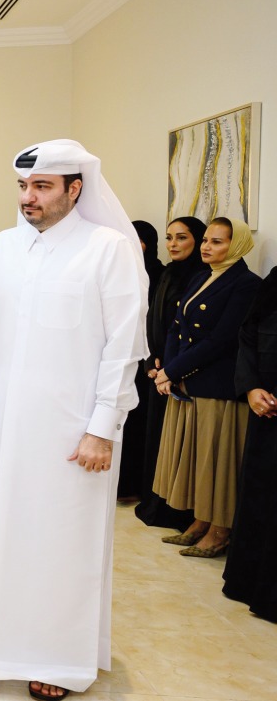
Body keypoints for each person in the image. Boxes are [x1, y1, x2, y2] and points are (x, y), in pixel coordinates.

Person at [0, 139, 146, 701]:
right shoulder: (1, 248)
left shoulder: (108, 248)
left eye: (41, 187)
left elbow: (124, 345)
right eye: (22, 186)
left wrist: (101, 427)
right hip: (9, 425)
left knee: (63, 543)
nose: (28, 197)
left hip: (72, 431)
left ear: (74, 189)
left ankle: (57, 659)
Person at [151, 217, 260, 557]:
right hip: (188, 381)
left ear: (237, 245)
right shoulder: (201, 276)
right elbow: (176, 326)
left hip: (217, 385)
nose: (206, 247)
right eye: (206, 241)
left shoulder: (245, 284)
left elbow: (222, 339)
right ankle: (199, 522)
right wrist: (169, 369)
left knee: (216, 461)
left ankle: (219, 531)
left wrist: (172, 369)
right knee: (196, 458)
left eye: (217, 242)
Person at [134, 217, 206, 529]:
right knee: (156, 438)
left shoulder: (199, 276)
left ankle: (174, 509)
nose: (173, 244)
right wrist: (152, 361)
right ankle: (155, 500)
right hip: (158, 369)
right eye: (169, 238)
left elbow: (192, 331)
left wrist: (170, 368)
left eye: (182, 238)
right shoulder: (166, 275)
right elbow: (153, 320)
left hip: (182, 374)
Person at [222, 266, 277, 621]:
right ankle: (251, 583)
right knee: (260, 493)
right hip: (266, 408)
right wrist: (251, 387)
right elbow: (248, 332)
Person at [116, 220, 165, 502]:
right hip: (125, 356)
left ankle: (137, 485)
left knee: (141, 426)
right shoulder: (122, 271)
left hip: (149, 363)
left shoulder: (159, 274)